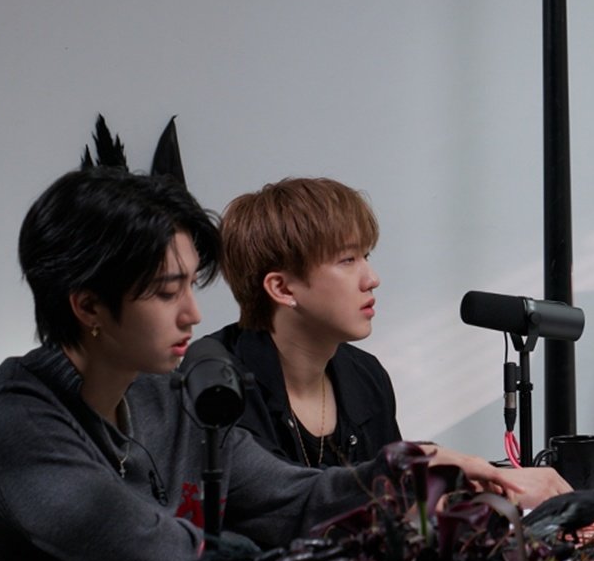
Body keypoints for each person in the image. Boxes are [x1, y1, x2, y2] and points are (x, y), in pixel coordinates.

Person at [0, 168, 393, 561]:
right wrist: (260, 555)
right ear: (89, 306)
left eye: (191, 286)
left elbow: (294, 499)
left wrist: (408, 474)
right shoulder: (9, 421)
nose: (193, 314)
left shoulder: (169, 397)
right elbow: (161, 560)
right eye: (166, 292)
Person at [210, 177, 568, 507]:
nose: (372, 278)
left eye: (366, 256)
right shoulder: (216, 386)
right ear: (282, 288)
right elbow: (279, 507)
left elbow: (395, 511)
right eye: (347, 260)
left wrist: (492, 491)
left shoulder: (364, 375)